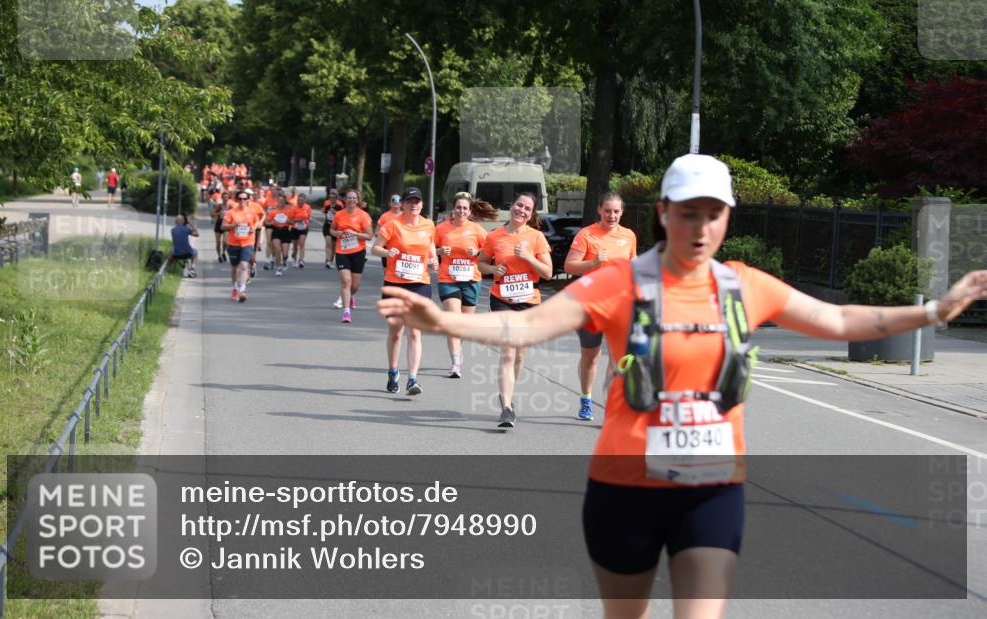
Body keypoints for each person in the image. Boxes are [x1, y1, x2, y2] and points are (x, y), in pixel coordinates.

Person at [377, 153, 987, 619]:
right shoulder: (619, 281)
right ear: (664, 214)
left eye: (713, 214)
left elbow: (840, 320)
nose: (700, 226)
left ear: (727, 218)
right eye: (687, 212)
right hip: (624, 489)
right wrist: (444, 319)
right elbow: (531, 322)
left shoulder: (745, 285)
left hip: (711, 489)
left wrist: (932, 313)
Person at [475, 192, 552, 427]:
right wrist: (491, 270)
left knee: (520, 353)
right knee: (508, 352)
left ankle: (508, 393)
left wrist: (528, 257)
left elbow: (547, 273)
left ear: (531, 214)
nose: (522, 210)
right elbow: (481, 262)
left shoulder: (536, 237)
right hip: (502, 298)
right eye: (519, 205)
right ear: (512, 206)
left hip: (529, 299)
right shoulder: (494, 236)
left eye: (527, 208)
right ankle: (506, 407)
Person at [563, 192, 637, 421]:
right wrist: (594, 262)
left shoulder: (629, 235)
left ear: (622, 212)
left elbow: (633, 263)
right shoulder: (587, 234)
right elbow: (569, 266)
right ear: (599, 210)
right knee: (591, 356)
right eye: (607, 211)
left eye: (616, 211)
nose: (611, 215)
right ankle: (586, 398)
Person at [370, 186, 438, 396]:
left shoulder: (429, 224)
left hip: (420, 282)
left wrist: (434, 260)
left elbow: (430, 246)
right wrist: (387, 252)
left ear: (422, 204)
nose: (414, 205)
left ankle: (413, 379)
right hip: (395, 283)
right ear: (404, 204)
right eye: (410, 202)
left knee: (415, 331)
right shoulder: (393, 225)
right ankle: (393, 371)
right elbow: (374, 248)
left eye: (417, 201)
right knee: (396, 331)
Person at [434, 191, 495, 378]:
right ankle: (455, 363)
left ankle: (459, 350)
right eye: (458, 207)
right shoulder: (442, 229)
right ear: (454, 209)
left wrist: (476, 253)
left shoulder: (477, 230)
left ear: (469, 211)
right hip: (448, 279)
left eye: (465, 208)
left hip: (471, 279)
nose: (461, 211)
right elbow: (429, 250)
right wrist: (439, 250)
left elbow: (489, 254)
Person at [330, 189, 373, 322]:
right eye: (349, 198)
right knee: (346, 282)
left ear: (358, 200)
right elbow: (332, 229)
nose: (351, 200)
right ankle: (346, 312)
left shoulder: (363, 216)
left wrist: (355, 234)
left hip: (358, 252)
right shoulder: (339, 215)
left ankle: (350, 296)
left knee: (355, 285)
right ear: (345, 200)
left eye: (354, 198)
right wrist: (336, 233)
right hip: (342, 251)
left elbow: (369, 236)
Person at [220, 190, 257, 302]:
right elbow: (223, 226)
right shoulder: (231, 212)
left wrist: (253, 229)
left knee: (244, 266)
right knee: (234, 268)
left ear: (247, 200)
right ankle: (235, 288)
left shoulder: (251, 212)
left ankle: (242, 290)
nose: (242, 201)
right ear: (237, 200)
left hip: (247, 242)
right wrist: (233, 225)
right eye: (240, 199)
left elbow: (256, 223)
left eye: (244, 199)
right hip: (233, 243)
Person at [265, 192, 295, 276]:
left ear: (285, 201)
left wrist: (288, 221)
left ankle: (284, 261)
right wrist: (272, 223)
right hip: (276, 231)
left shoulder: (289, 211)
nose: (281, 202)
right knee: (278, 250)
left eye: (282, 200)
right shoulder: (273, 211)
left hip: (285, 231)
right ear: (277, 201)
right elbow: (266, 222)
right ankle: (278, 268)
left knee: (285, 254)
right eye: (279, 200)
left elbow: (293, 221)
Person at [375, 194, 403, 268]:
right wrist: (385, 237)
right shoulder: (384, 216)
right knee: (386, 270)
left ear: (402, 203)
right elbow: (377, 232)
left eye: (399, 200)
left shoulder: (406, 215)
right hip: (386, 248)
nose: (396, 202)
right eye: (394, 200)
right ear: (390, 203)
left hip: (402, 247)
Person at [322, 189, 345, 269]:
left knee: (334, 246)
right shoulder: (327, 205)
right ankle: (328, 260)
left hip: (336, 227)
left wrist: (335, 212)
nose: (331, 199)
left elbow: (342, 216)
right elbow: (325, 214)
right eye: (330, 198)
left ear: (336, 198)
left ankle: (330, 260)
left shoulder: (339, 205)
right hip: (327, 226)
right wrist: (324, 223)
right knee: (328, 243)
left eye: (333, 198)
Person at [290, 193, 313, 268]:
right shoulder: (293, 208)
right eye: (299, 200)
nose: (300, 201)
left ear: (305, 200)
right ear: (297, 200)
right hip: (295, 228)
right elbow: (290, 220)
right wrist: (297, 220)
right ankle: (294, 259)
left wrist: (309, 221)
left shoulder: (307, 207)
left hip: (304, 227)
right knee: (295, 246)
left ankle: (301, 260)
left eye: (302, 200)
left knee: (302, 244)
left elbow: (309, 217)